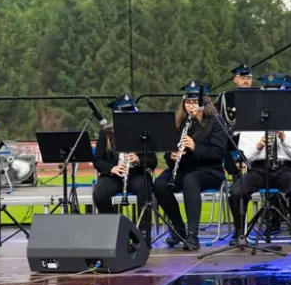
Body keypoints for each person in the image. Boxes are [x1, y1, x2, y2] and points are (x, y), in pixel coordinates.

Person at [228, 73, 291, 243]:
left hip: (284, 169)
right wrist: (258, 146)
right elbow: (244, 155)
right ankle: (240, 233)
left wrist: (284, 138)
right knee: (236, 191)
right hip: (259, 169)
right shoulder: (250, 118)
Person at [153, 81, 228, 250]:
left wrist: (195, 147)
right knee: (159, 184)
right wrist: (172, 156)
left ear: (203, 103)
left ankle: (193, 235)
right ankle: (179, 228)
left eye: (194, 102)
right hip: (184, 169)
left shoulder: (215, 122)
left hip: (209, 171)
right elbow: (167, 153)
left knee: (191, 180)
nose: (190, 106)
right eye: (187, 102)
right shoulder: (179, 123)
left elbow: (218, 154)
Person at [91, 94, 157, 242]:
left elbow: (152, 161)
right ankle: (114, 231)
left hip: (136, 174)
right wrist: (112, 169)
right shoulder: (106, 133)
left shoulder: (144, 133)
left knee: (144, 189)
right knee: (99, 194)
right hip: (113, 175)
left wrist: (138, 159)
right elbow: (98, 161)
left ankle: (143, 233)